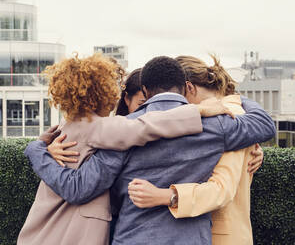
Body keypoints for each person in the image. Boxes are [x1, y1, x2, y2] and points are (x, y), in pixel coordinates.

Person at [25, 56, 276, 244]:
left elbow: (83, 186)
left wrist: (37, 148)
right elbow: (264, 125)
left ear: (144, 91)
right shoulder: (215, 126)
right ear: (185, 87)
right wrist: (236, 98)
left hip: (133, 238)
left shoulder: (121, 133)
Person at [128, 55, 264, 244]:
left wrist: (167, 195)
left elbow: (221, 189)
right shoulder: (226, 115)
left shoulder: (228, 117)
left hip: (220, 235)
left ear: (189, 88)